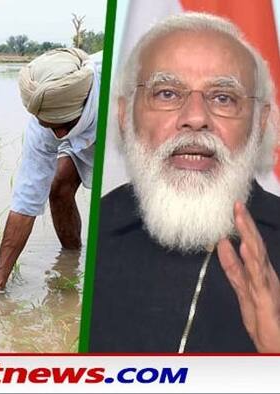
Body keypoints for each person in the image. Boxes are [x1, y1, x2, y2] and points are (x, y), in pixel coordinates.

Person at [90, 13, 280, 352]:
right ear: (124, 115)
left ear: (260, 123)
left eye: (223, 97)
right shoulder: (94, 229)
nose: (195, 118)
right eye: (166, 93)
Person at [0, 48, 100, 292]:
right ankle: (72, 257)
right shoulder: (49, 117)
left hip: (122, 131)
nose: (58, 136)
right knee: (59, 186)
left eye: (63, 126)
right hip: (82, 128)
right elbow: (25, 201)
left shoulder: (124, 88)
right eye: (49, 127)